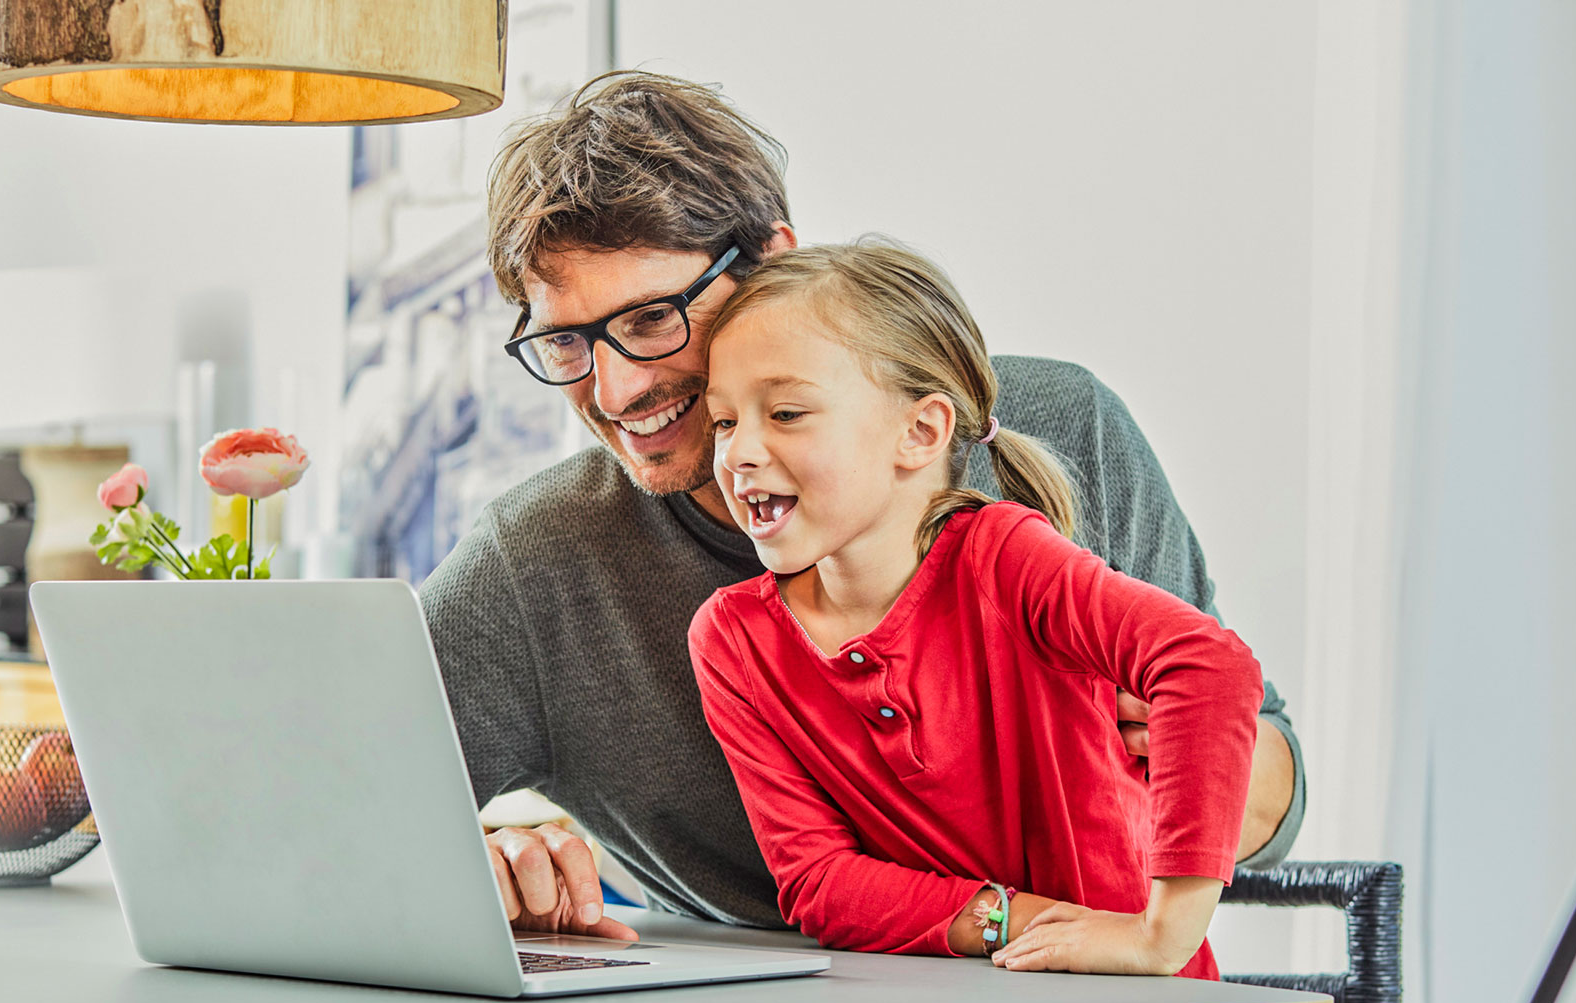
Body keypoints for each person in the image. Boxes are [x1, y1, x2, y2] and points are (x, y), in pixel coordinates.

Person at [419, 71, 1304, 941]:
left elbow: (1270, 781)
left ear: (773, 260)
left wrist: (1172, 774)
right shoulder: (537, 566)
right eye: (567, 343)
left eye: (654, 320)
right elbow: (322, 813)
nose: (614, 390)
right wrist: (473, 859)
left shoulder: (1065, 430)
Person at [688, 239, 1259, 980]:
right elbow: (822, 884)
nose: (737, 454)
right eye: (726, 422)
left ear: (920, 432)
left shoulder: (1005, 558)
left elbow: (1208, 665)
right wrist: (1011, 919)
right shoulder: (733, 640)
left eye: (788, 412)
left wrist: (1163, 935)